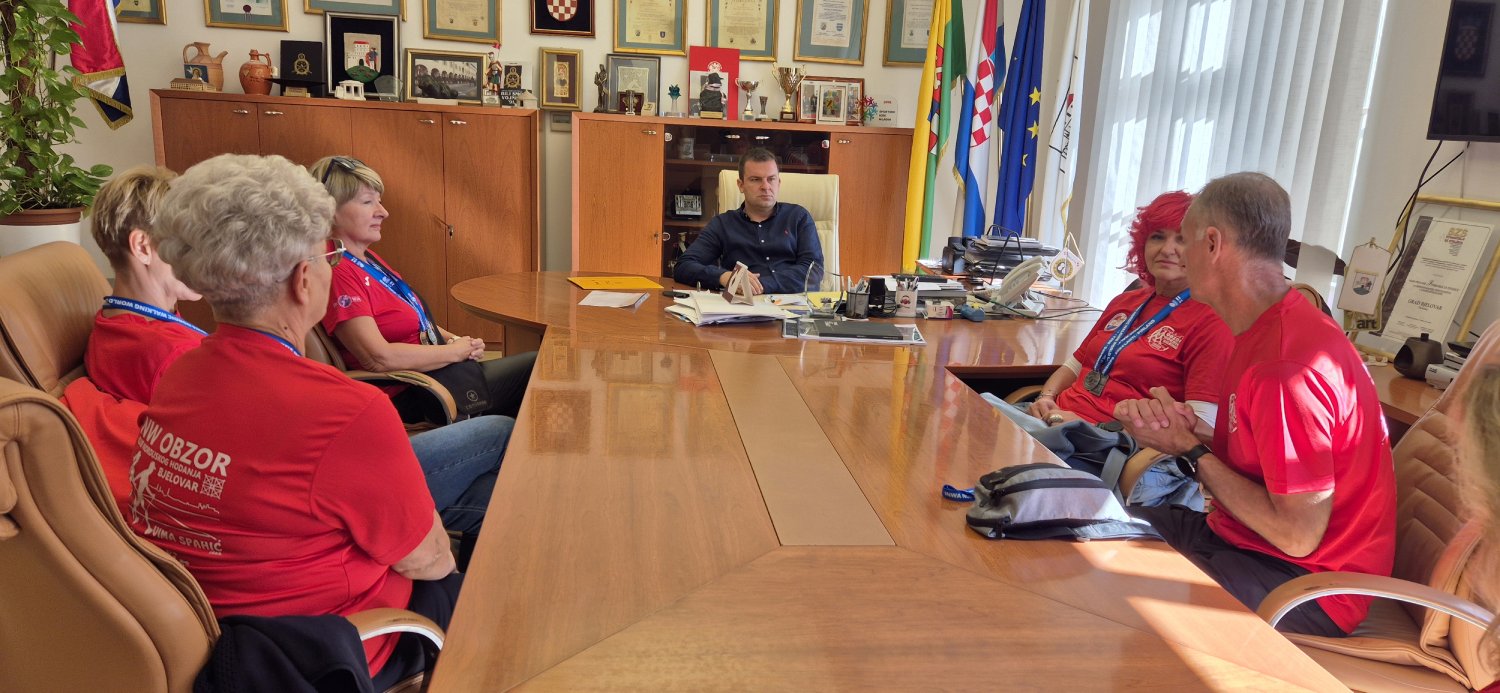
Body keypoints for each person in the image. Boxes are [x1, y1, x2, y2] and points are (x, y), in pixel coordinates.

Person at [134, 154, 460, 686]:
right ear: (304, 280)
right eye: (327, 255)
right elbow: (431, 561)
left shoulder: (179, 372)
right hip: (331, 651)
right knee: (481, 580)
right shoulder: (347, 410)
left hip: (217, 636)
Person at [1115, 172, 1396, 637]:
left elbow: (1297, 536)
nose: (1177, 255)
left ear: (1212, 244)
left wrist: (1190, 450)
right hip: (1247, 543)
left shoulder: (1284, 368)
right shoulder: (1266, 325)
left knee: (1113, 595)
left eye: (1185, 241)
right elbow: (1266, 458)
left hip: (1306, 584)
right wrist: (1187, 431)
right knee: (1099, 529)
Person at [987, 191, 1232, 508]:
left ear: (1204, 250)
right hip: (1054, 422)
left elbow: (1203, 427)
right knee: (977, 416)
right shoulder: (1126, 301)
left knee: (991, 464)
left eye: (1182, 239)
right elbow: (1075, 366)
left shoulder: (1211, 320)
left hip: (1109, 447)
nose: (1167, 249)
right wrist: (1046, 398)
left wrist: (1090, 426)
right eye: (1157, 237)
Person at [311, 155, 537, 420]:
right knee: (536, 370)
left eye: (379, 201)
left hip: (435, 373)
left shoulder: (366, 260)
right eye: (368, 202)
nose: (383, 212)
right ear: (329, 209)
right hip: (413, 390)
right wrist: (453, 352)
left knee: (530, 382)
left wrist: (455, 340)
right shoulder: (339, 271)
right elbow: (378, 358)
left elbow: (412, 316)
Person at [672, 148, 823, 295]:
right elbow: (683, 266)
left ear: (779, 183)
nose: (766, 187)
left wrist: (761, 285)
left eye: (771, 179)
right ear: (741, 185)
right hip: (744, 305)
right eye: (755, 180)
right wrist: (724, 277)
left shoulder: (798, 217)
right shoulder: (723, 224)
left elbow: (814, 271)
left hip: (794, 304)